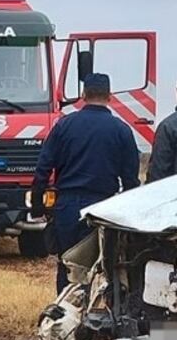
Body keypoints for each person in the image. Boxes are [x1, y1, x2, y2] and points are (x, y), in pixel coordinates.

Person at [31, 73, 140, 294]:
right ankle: (95, 313)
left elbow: (43, 168)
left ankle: (65, 311)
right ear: (110, 96)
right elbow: (130, 179)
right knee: (101, 265)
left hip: (67, 206)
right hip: (103, 207)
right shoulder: (121, 130)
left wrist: (37, 206)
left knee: (67, 263)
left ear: (83, 95)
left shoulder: (64, 126)